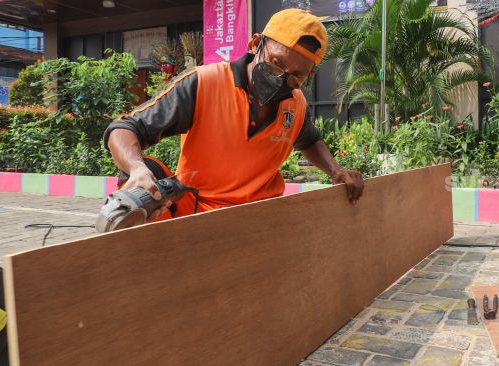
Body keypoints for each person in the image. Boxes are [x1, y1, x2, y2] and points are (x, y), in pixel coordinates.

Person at [103, 8, 364, 220]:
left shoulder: (296, 105)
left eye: (297, 75)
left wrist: (335, 170)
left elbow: (309, 140)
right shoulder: (204, 82)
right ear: (255, 43)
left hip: (260, 216)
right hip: (198, 212)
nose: (283, 78)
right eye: (276, 63)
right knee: (142, 180)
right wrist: (136, 168)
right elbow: (125, 128)